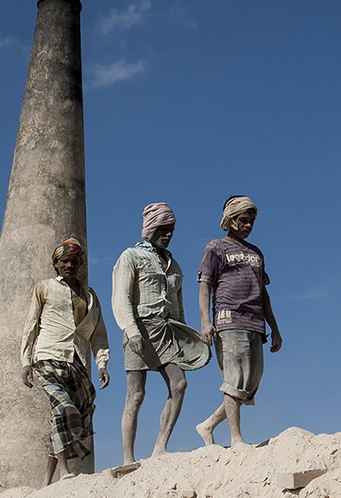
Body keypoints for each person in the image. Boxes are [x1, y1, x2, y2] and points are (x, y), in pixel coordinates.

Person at [111, 203, 210, 465]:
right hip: (140, 328)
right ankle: (128, 458)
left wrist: (188, 335)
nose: (168, 234)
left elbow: (179, 306)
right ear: (151, 228)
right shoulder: (130, 256)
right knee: (136, 394)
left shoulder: (174, 265)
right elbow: (121, 297)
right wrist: (131, 331)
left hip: (168, 331)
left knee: (179, 384)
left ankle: (160, 447)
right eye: (163, 229)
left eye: (171, 230)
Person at [21, 237, 111, 486]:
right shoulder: (44, 288)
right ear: (56, 264)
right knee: (64, 408)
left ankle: (46, 481)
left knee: (67, 416)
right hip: (48, 355)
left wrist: (102, 363)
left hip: (76, 361)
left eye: (74, 261)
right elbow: (31, 325)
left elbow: (98, 333)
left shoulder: (89, 296)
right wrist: (26, 361)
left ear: (80, 264)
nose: (70, 265)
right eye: (64, 261)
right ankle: (64, 469)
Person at [195, 196, 283, 448]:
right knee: (234, 380)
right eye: (244, 220)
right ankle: (236, 439)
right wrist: (205, 322)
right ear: (230, 220)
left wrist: (275, 328)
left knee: (249, 383)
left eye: (252, 221)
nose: (248, 226)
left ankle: (208, 425)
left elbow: (263, 293)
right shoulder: (215, 248)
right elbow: (205, 287)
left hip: (255, 322)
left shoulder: (256, 253)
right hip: (228, 318)